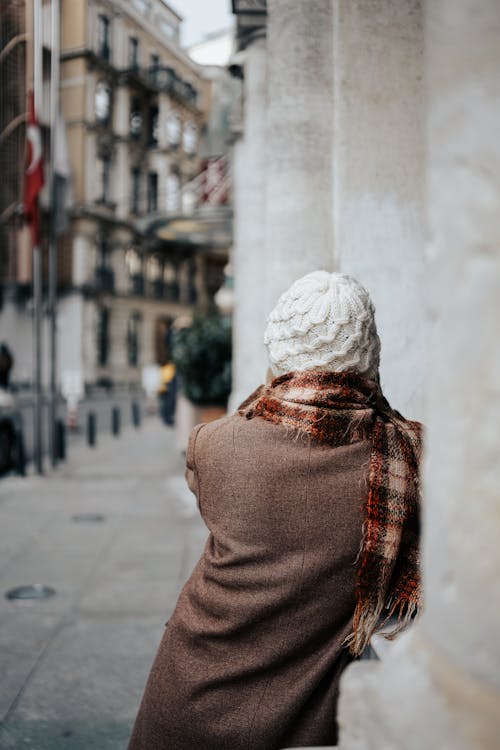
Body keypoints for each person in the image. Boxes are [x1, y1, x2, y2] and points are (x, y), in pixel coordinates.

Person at [128, 271, 423, 750]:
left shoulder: (213, 445)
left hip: (186, 698)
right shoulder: (406, 456)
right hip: (300, 720)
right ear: (370, 357)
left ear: (280, 355)